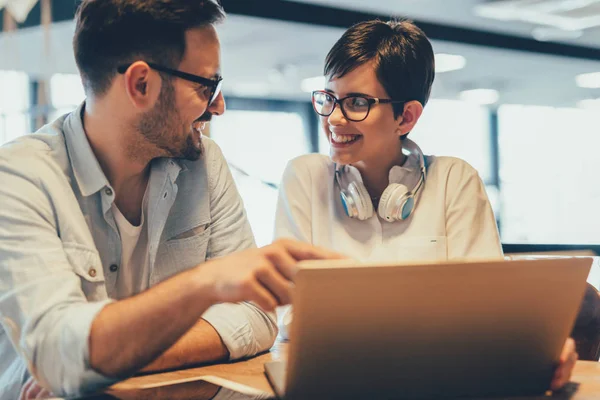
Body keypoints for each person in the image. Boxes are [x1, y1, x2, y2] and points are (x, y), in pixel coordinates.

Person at [0, 1, 341, 399]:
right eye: (205, 85)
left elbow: (255, 316)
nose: (219, 105)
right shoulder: (20, 178)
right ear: (141, 84)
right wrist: (207, 284)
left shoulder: (204, 163)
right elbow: (62, 352)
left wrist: (123, 367)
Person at [274, 19, 577, 391]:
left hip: (439, 384)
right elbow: (289, 313)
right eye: (330, 98)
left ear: (406, 116)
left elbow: (488, 312)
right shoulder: (304, 177)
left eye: (356, 103)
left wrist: (535, 344)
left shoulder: (454, 180)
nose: (335, 118)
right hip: (334, 383)